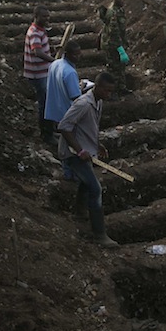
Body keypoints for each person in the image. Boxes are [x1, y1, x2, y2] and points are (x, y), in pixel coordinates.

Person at [58, 72, 119, 247]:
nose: (109, 95)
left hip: (84, 150)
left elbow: (89, 126)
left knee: (86, 183)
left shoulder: (97, 102)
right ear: (97, 87)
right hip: (72, 154)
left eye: (111, 92)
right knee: (95, 189)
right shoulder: (83, 104)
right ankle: (99, 235)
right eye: (106, 91)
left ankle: (79, 213)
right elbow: (63, 126)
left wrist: (97, 145)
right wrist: (80, 151)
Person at [24, 5, 54, 143]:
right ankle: (46, 134)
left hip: (42, 72)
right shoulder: (35, 32)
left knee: (47, 102)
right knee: (45, 104)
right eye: (44, 16)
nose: (47, 19)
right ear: (36, 16)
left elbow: (42, 48)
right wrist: (54, 61)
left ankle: (50, 131)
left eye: (48, 16)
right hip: (38, 74)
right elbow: (37, 52)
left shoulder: (40, 31)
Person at [45, 40, 82, 129]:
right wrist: (81, 87)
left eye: (79, 54)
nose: (78, 57)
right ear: (67, 54)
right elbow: (75, 96)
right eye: (75, 54)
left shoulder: (55, 64)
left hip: (55, 110)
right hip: (66, 111)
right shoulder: (70, 72)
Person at [99, 0, 131, 92]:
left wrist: (125, 43)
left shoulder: (119, 10)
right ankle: (111, 92)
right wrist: (120, 49)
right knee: (113, 69)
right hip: (112, 45)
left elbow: (122, 30)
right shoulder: (113, 12)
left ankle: (122, 87)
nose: (123, 1)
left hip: (117, 43)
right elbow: (114, 33)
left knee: (121, 68)